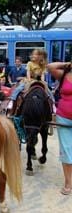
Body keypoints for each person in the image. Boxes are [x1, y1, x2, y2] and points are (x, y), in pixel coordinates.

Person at [47, 61, 72, 195]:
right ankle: (68, 182)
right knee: (67, 149)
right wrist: (67, 64)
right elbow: (50, 66)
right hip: (64, 118)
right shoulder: (63, 75)